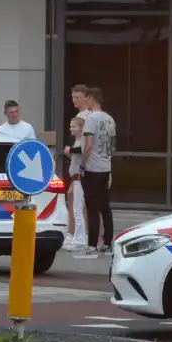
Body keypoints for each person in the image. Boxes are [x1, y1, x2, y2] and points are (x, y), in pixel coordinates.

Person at [77, 87, 116, 258]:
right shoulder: (110, 120)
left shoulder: (91, 119)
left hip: (92, 168)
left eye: (86, 98)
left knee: (92, 207)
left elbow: (89, 145)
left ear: (91, 99)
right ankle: (107, 242)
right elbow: (112, 147)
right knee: (105, 206)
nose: (85, 101)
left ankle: (92, 244)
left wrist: (83, 165)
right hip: (105, 167)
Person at [62, 116, 88, 251]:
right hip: (75, 176)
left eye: (74, 126)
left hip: (78, 177)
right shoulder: (77, 140)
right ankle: (79, 236)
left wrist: (70, 150)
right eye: (71, 126)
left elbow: (82, 151)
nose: (72, 128)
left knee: (77, 209)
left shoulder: (82, 140)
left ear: (81, 128)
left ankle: (80, 239)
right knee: (76, 208)